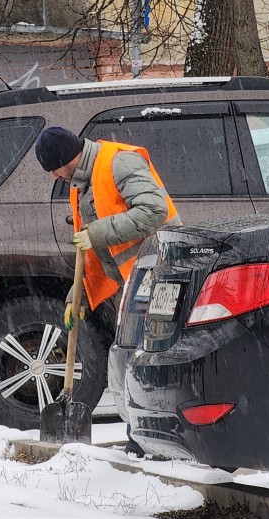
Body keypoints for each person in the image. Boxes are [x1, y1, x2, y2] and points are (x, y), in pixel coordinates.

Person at [35, 125, 181, 455]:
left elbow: (154, 211)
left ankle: (149, 442)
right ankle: (141, 440)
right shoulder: (81, 184)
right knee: (131, 360)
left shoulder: (119, 163)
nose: (54, 176)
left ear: (66, 159)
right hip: (133, 284)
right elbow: (91, 255)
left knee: (144, 359)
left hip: (161, 275)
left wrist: (98, 232)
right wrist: (78, 298)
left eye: (53, 168)